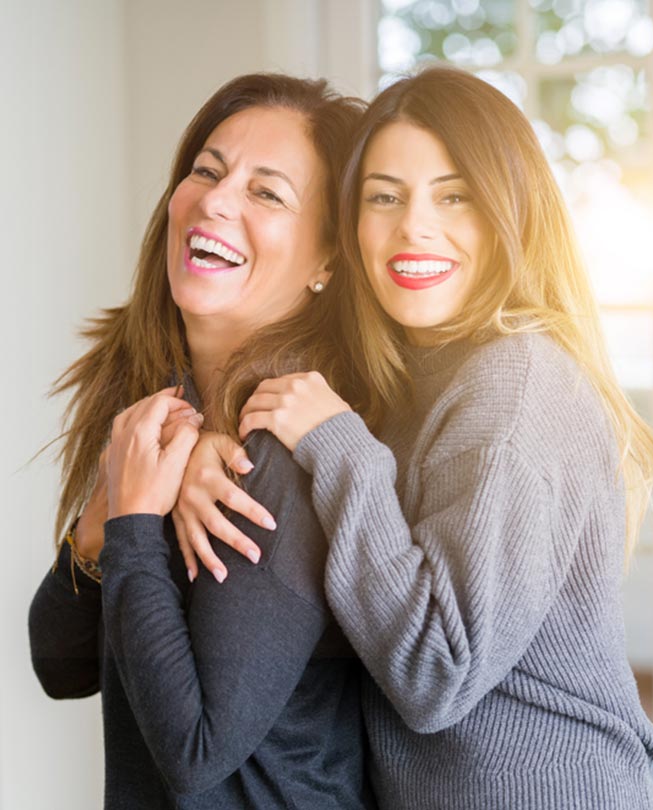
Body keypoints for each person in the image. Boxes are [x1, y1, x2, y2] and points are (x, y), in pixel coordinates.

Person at [177, 67, 653, 809]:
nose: (414, 225)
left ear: (512, 215)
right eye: (385, 196)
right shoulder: (405, 375)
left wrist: (339, 446)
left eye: (454, 196)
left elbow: (435, 672)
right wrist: (200, 449)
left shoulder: (514, 386)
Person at [28, 73, 377, 809]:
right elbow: (59, 666)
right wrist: (101, 527)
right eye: (207, 171)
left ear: (327, 261)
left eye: (267, 192)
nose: (216, 201)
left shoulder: (284, 450)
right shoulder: (165, 415)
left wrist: (132, 524)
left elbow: (194, 753)